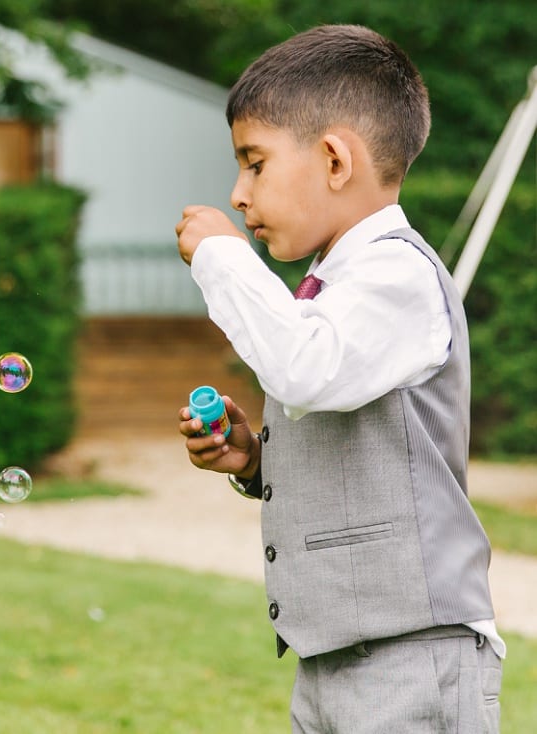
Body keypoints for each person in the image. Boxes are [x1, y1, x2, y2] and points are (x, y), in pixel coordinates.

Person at [174, 24, 504, 734]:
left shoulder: (398, 274)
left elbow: (304, 369)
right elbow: (343, 417)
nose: (237, 193)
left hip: (412, 655)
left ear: (332, 160)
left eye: (253, 163)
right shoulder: (337, 288)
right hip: (334, 658)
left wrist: (222, 261)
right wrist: (258, 459)